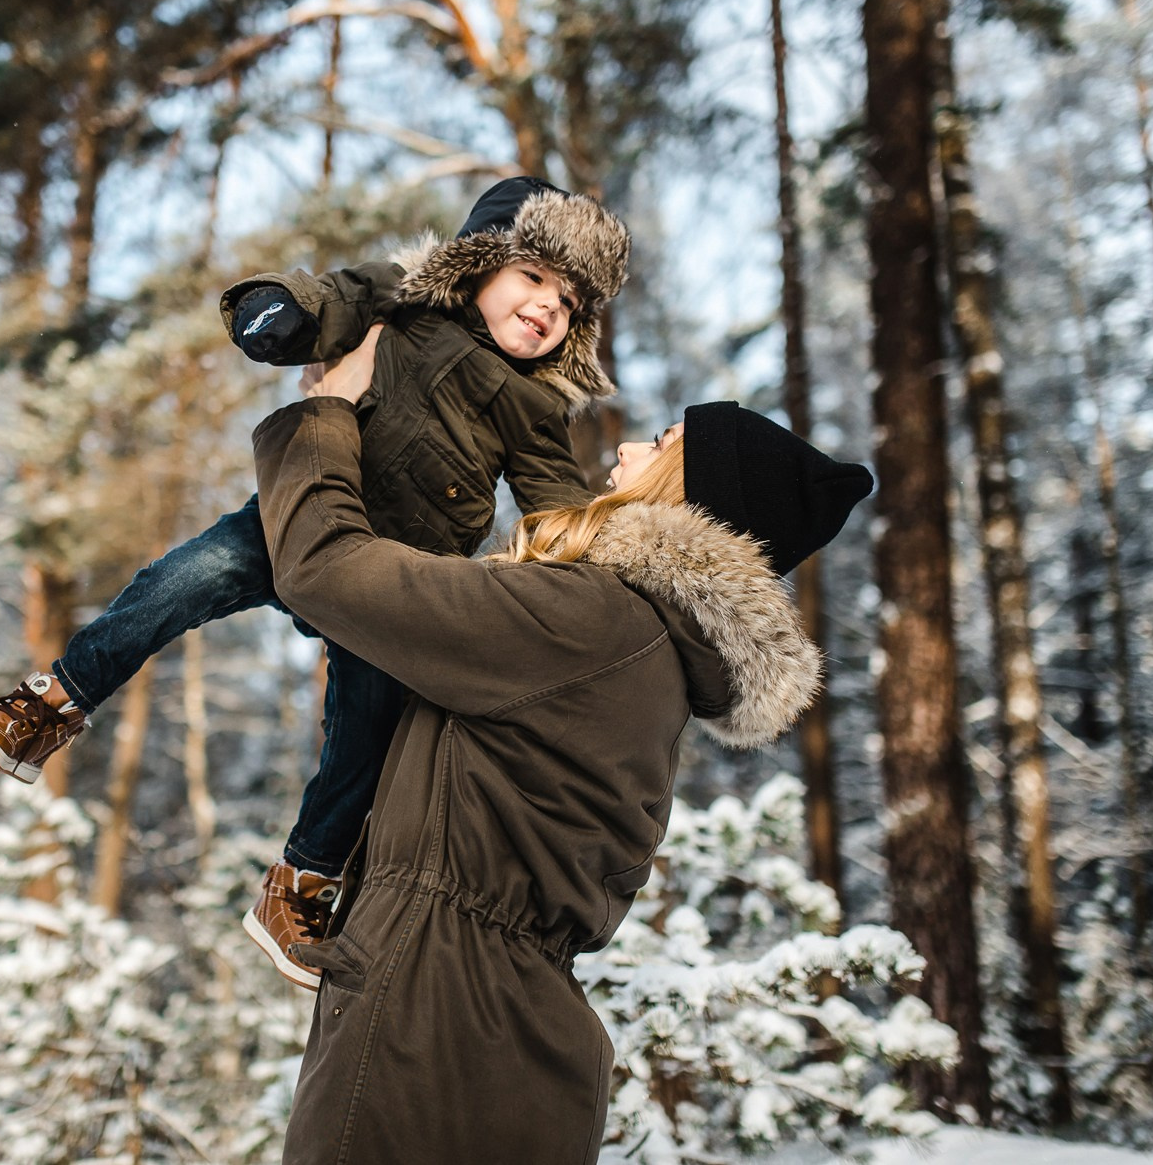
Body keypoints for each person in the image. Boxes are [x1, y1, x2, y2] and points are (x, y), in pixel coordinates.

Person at [0, 177, 632, 988]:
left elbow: (557, 502)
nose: (549, 306)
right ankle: (50, 703)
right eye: (536, 278)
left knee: (366, 735)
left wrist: (592, 565)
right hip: (301, 510)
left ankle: (300, 883)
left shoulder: (535, 404)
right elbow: (327, 298)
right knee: (176, 582)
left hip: (397, 579)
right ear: (479, 262)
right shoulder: (401, 295)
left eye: (571, 300)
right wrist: (275, 313)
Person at [252, 326, 872, 1165]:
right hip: (504, 1044)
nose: (623, 448)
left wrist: (326, 410)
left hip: (430, 1033)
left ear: (694, 494)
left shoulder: (594, 621)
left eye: (661, 442)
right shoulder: (647, 652)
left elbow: (324, 567)